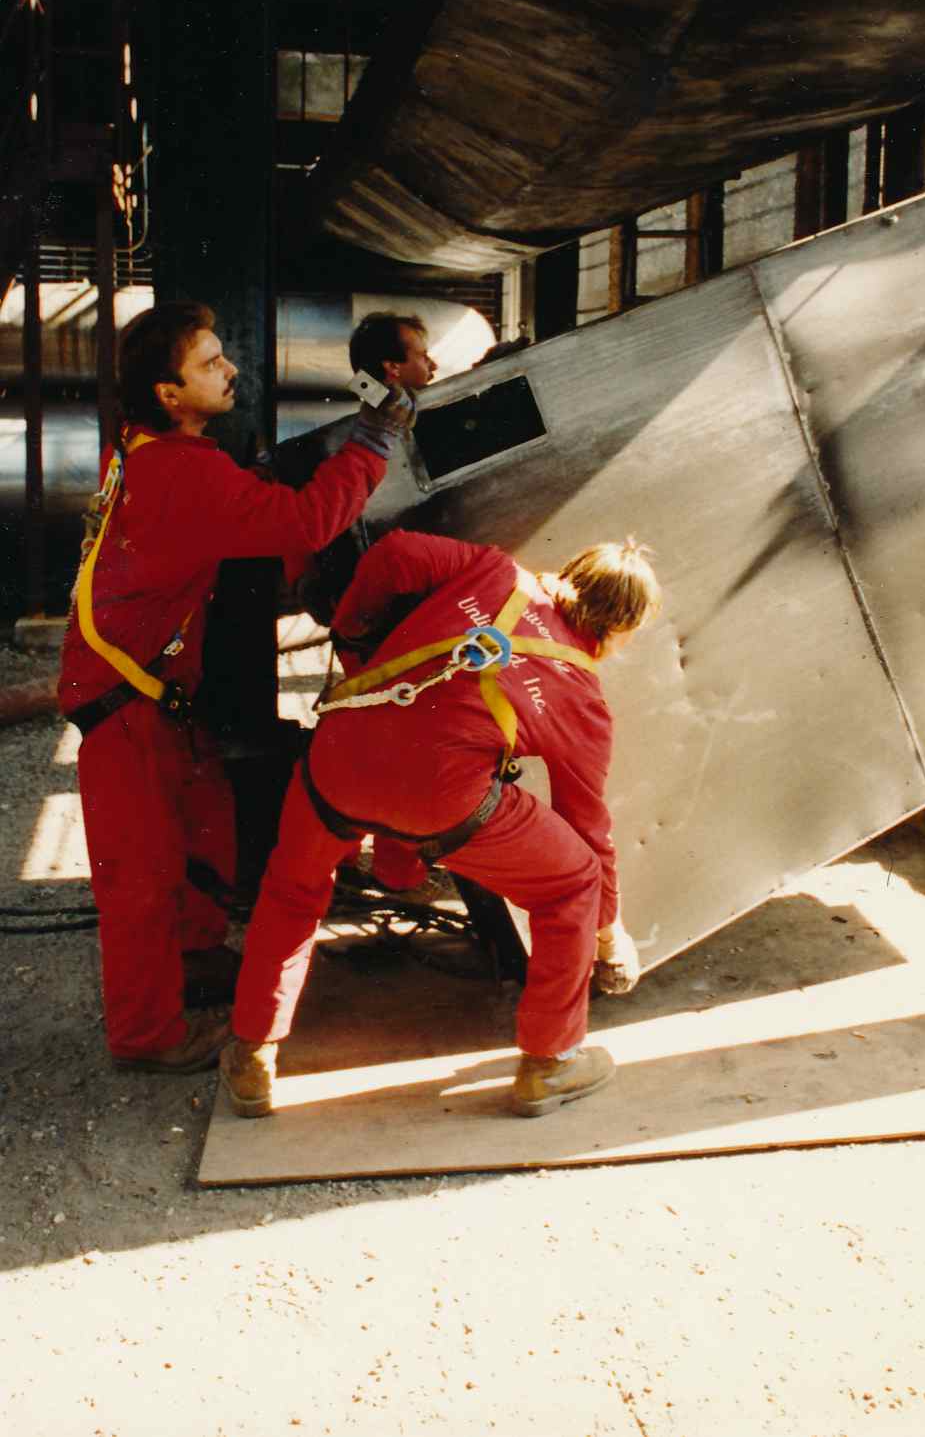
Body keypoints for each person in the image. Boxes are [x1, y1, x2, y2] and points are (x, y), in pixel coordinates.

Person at [58, 301, 416, 1074]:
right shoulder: (181, 470)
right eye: (211, 362)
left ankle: (189, 960)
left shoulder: (149, 450)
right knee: (141, 875)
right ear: (169, 394)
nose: (231, 369)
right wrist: (374, 441)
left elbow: (210, 516)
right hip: (126, 702)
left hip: (149, 689)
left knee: (205, 820)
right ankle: (146, 1036)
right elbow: (306, 523)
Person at [221, 528, 661, 1119]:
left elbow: (397, 553)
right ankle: (550, 1063)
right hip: (436, 803)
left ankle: (252, 1055)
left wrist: (354, 636)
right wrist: (609, 933)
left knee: (293, 892)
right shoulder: (581, 695)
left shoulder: (494, 570)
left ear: (571, 572)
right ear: (616, 631)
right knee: (572, 882)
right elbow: (588, 829)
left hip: (338, 758)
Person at [276, 311, 438, 627]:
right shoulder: (387, 407)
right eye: (423, 356)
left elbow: (365, 383)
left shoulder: (379, 397)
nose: (433, 365)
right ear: (392, 368)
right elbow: (377, 393)